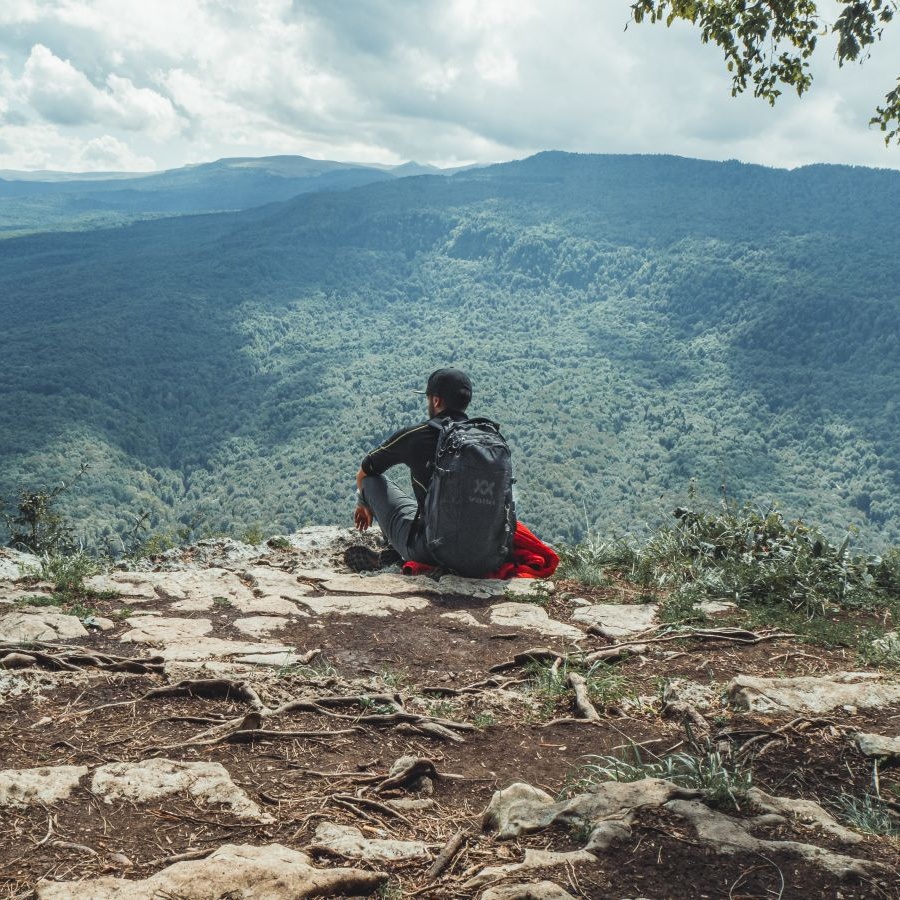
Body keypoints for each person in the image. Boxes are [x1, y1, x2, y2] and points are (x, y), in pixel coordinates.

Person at [344, 368, 473, 572]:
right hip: (485, 552)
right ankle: (397, 552)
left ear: (436, 401)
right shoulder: (487, 439)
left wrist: (363, 502)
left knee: (371, 483)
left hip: (432, 550)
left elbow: (365, 471)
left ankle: (397, 552)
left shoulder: (418, 436)